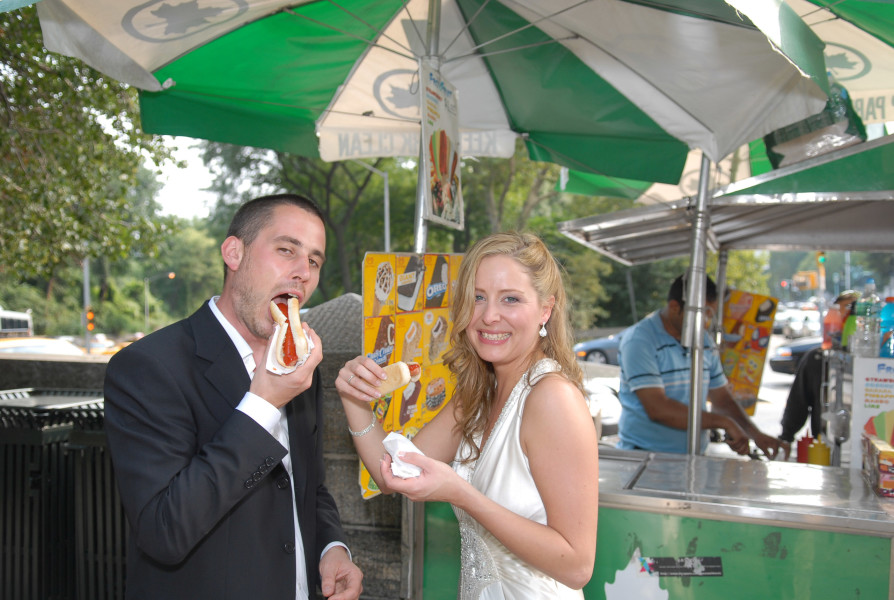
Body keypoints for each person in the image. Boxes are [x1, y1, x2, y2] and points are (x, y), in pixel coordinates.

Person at [104, 194, 362, 600]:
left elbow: (308, 485)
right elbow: (163, 531)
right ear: (233, 252)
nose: (302, 273)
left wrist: (332, 548)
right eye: (286, 250)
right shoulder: (148, 367)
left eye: (313, 261)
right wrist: (261, 404)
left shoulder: (300, 363)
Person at [336, 232, 599, 599]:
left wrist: (462, 494)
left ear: (545, 309)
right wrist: (354, 400)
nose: (489, 316)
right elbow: (391, 472)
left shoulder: (551, 398)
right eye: (477, 298)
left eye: (510, 299)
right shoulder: (478, 394)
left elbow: (577, 566)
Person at [617, 274, 790, 459]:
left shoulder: (703, 341)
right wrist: (723, 422)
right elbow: (658, 409)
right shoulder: (640, 341)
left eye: (710, 313)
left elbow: (722, 398)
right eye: (702, 314)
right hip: (644, 458)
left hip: (693, 456)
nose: (707, 321)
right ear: (675, 307)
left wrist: (754, 434)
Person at [779, 291, 858, 443]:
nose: (848, 316)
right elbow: (797, 403)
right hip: (825, 444)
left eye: (852, 310)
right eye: (844, 310)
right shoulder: (817, 358)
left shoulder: (877, 361)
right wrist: (786, 437)